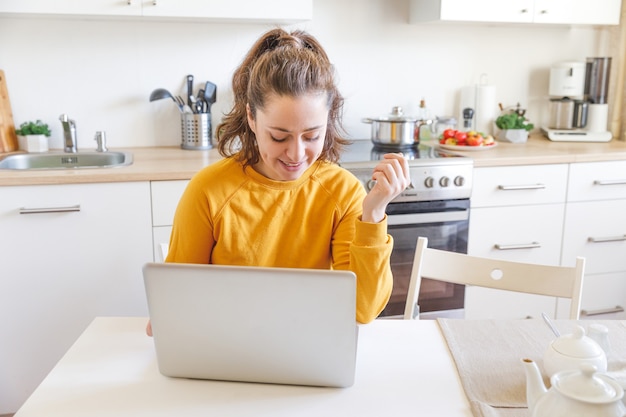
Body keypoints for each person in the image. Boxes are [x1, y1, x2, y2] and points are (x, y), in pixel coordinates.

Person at [146, 28, 410, 336]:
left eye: (312, 135)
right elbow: (179, 299)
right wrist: (167, 312)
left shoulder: (343, 191)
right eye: (279, 136)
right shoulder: (208, 190)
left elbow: (362, 310)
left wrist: (374, 214)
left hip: (309, 347)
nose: (296, 153)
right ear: (252, 118)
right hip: (227, 344)